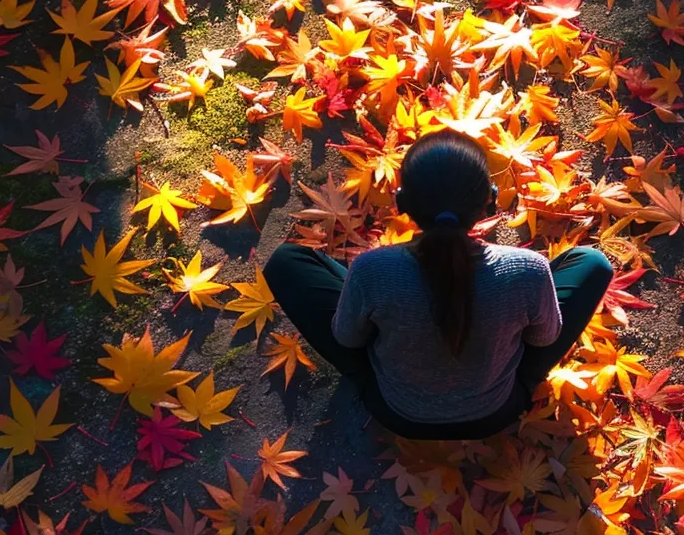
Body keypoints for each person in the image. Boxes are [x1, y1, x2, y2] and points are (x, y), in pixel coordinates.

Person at [263, 130, 614, 440]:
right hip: (497, 411)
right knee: (593, 264)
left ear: (401, 203)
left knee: (286, 263)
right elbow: (544, 338)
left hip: (396, 411)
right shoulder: (528, 270)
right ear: (490, 201)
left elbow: (347, 338)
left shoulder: (372, 269)